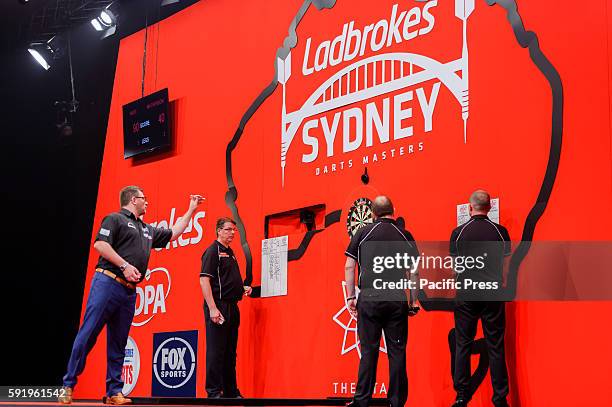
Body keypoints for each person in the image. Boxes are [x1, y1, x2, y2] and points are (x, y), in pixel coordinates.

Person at [59, 186, 205, 405]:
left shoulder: (146, 229)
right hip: (107, 282)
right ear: (134, 200)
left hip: (128, 291)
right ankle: (67, 386)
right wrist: (125, 265)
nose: (147, 203)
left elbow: (174, 232)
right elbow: (100, 244)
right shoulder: (115, 219)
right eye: (144, 199)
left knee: (119, 343)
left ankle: (114, 392)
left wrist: (191, 210)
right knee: (88, 334)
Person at [344, 196, 419, 407]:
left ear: (373, 214)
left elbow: (350, 266)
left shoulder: (363, 233)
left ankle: (361, 401)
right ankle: (396, 402)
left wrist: (351, 296)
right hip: (396, 299)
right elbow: (414, 271)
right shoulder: (404, 235)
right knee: (397, 352)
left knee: (369, 351)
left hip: (370, 299)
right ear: (393, 211)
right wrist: (413, 300)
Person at [450, 190, 511, 407]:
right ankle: (500, 398)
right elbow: (504, 265)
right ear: (489, 208)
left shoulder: (458, 232)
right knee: (495, 345)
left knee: (463, 344)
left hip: (467, 293)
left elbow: (455, 267)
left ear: (469, 208)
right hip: (492, 293)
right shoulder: (500, 231)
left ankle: (461, 396)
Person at [200, 217, 252, 398]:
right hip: (218, 306)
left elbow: (227, 280)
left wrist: (241, 288)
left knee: (230, 352)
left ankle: (230, 390)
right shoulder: (212, 251)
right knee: (216, 351)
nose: (232, 233)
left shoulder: (230, 252)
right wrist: (212, 308)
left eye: (234, 230)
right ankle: (213, 391)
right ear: (219, 231)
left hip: (232, 306)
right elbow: (204, 280)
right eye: (229, 230)